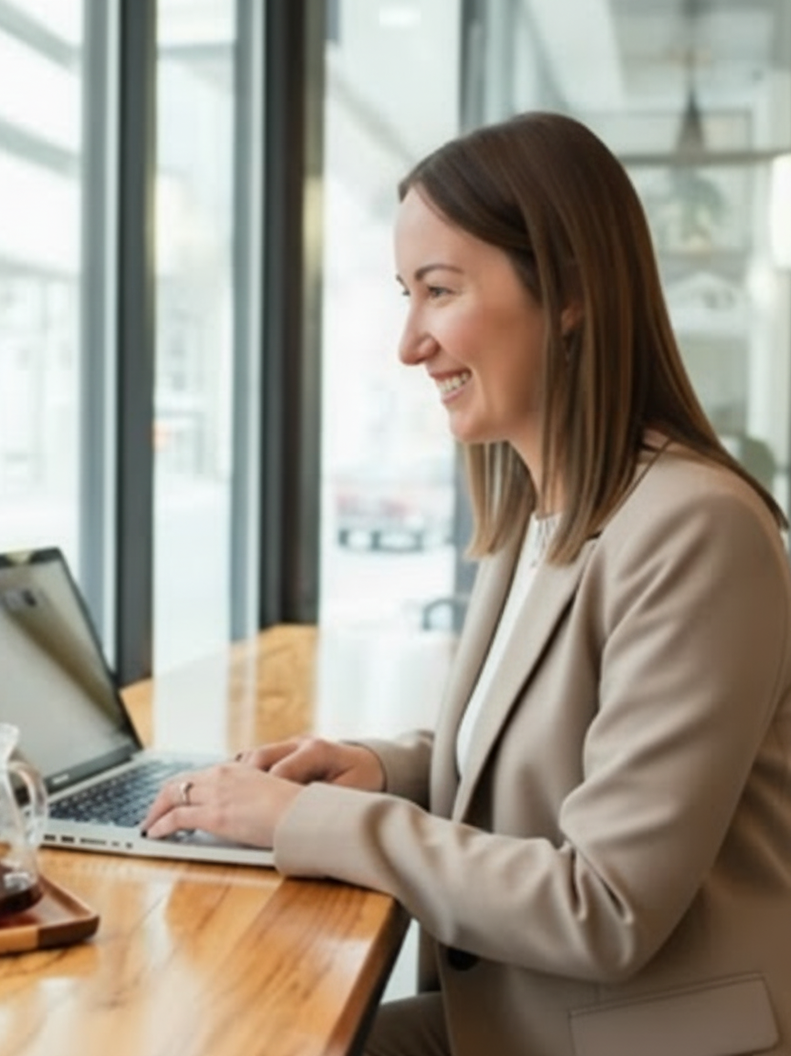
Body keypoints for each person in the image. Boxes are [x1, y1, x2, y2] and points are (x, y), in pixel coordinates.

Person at [142, 111, 791, 1056]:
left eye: (439, 292)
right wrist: (381, 767)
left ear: (566, 291)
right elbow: (554, 746)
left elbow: (603, 907)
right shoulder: (547, 506)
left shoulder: (696, 528)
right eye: (407, 294)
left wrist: (315, 821)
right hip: (535, 1020)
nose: (410, 343)